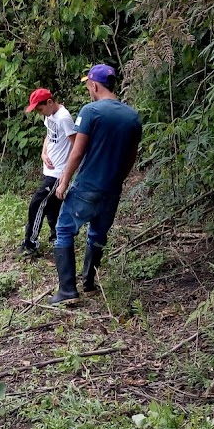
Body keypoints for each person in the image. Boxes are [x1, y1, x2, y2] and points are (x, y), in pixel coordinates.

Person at [49, 64, 141, 303]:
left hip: (87, 186)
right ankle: (89, 283)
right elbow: (132, 156)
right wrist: (119, 179)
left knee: (64, 230)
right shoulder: (132, 116)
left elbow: (77, 152)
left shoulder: (91, 111)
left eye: (88, 85)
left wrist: (63, 181)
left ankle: (68, 291)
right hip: (112, 189)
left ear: (94, 85)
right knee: (97, 234)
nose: (88, 89)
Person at [20, 88, 75, 255]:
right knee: (52, 206)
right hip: (50, 169)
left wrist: (66, 176)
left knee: (37, 204)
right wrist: (44, 153)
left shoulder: (64, 118)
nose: (39, 112)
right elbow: (49, 135)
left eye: (40, 108)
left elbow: (76, 145)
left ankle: (30, 243)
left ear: (49, 102)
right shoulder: (50, 115)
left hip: (58, 173)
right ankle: (57, 237)